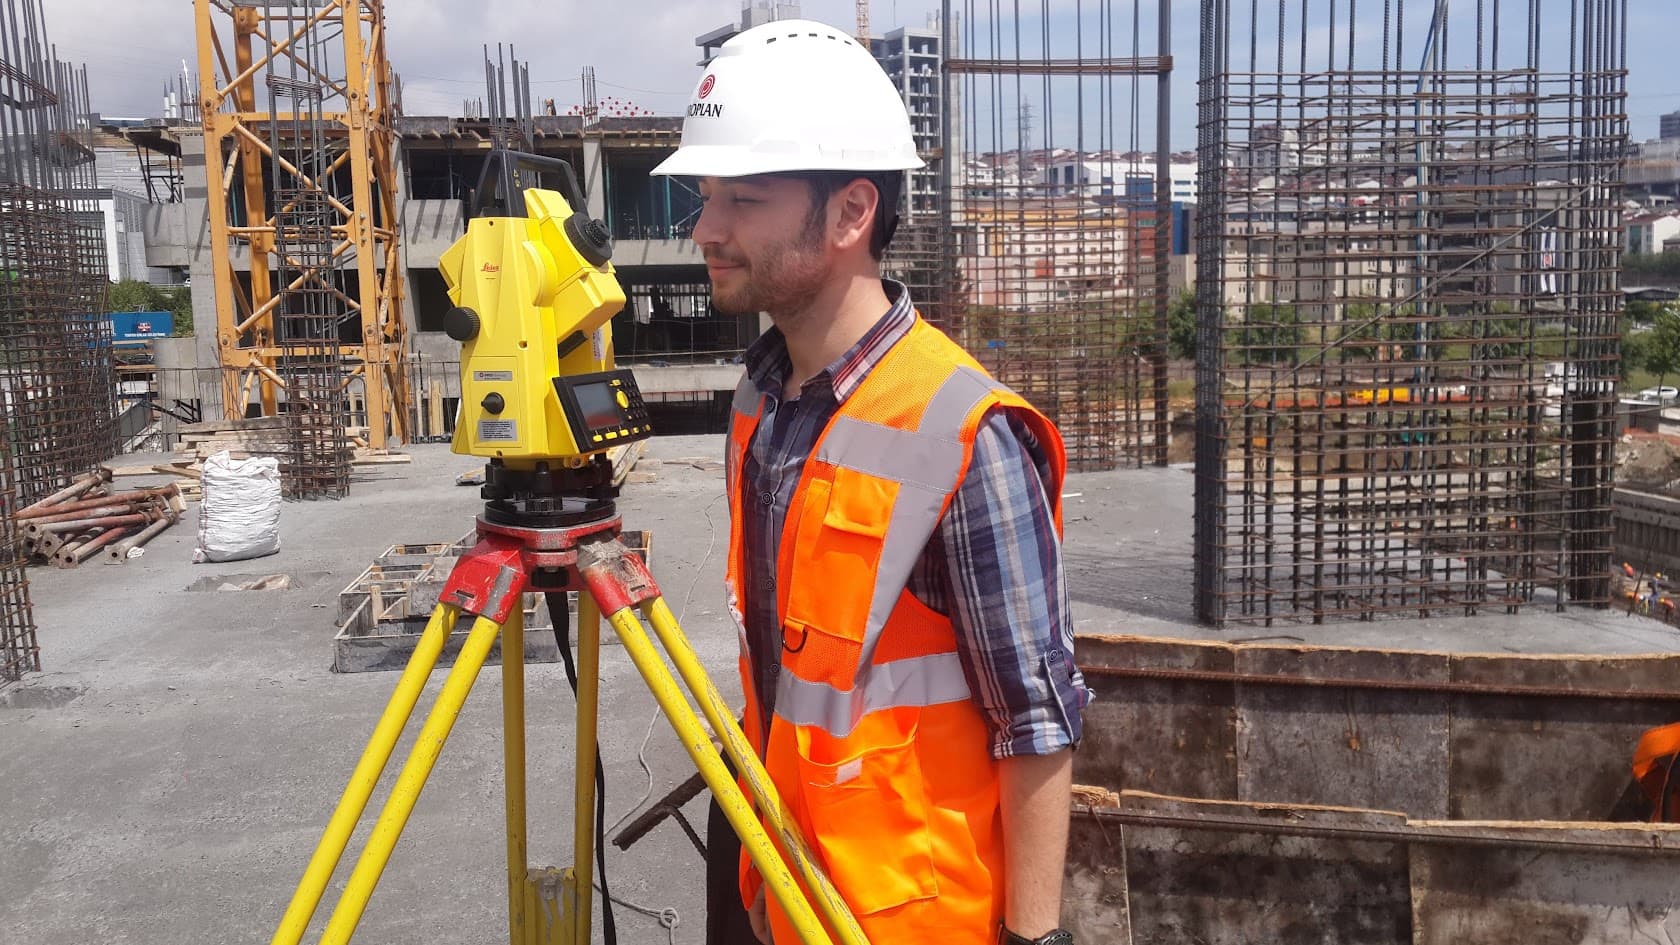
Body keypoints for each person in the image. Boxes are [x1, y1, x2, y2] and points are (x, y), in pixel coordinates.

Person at [651, 19, 1087, 945]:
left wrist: (1036, 936)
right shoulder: (760, 402)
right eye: (706, 196)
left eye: (743, 199)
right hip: (786, 891)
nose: (708, 230)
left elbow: (1035, 716)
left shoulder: (962, 431)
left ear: (851, 214)